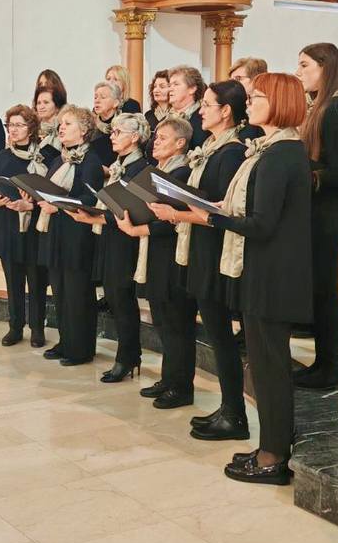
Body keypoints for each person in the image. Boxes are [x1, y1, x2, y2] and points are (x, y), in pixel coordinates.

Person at [184, 73, 311, 485]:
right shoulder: (273, 150)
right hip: (265, 270)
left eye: (258, 97)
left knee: (270, 369)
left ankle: (274, 457)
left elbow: (261, 224)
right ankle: (267, 446)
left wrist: (209, 216)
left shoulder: (281, 154)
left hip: (273, 274)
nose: (251, 102)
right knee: (263, 364)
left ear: (281, 103)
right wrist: (222, 207)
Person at [149, 81, 249, 438]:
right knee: (215, 334)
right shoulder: (210, 147)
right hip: (198, 247)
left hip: (212, 250)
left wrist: (178, 210)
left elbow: (219, 206)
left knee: (221, 336)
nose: (202, 110)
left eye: (208, 104)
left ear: (226, 111)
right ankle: (226, 408)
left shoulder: (232, 152)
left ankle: (234, 415)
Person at [65, 113, 150, 382]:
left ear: (135, 138)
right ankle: (128, 356)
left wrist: (95, 216)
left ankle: (127, 358)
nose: (111, 137)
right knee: (115, 298)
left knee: (122, 300)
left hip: (126, 240)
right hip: (110, 237)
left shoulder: (140, 169)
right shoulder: (119, 165)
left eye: (118, 132)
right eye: (112, 132)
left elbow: (133, 211)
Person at [293, 43, 338, 392]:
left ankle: (331, 366)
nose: (299, 71)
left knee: (324, 290)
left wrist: (297, 169)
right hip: (318, 206)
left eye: (305, 65)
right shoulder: (324, 105)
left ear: (325, 66)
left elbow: (336, 169)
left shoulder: (337, 109)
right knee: (317, 289)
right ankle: (323, 362)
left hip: (328, 208)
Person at [115, 117, 194, 407]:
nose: (155, 142)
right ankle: (169, 378)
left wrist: (139, 228)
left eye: (163, 138)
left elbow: (173, 218)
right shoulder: (158, 171)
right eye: (156, 137)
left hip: (172, 254)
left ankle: (182, 387)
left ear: (180, 143)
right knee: (162, 319)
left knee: (176, 321)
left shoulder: (182, 172)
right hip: (156, 253)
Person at [37, 106, 105, 366]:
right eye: (60, 124)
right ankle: (66, 341)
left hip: (78, 234)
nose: (61, 128)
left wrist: (59, 204)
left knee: (78, 294)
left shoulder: (91, 161)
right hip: (56, 232)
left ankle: (81, 348)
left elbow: (90, 198)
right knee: (61, 291)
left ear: (84, 130)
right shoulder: (59, 159)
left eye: (67, 123)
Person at [0, 105, 49, 348]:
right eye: (10, 125)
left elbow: (51, 195)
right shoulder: (2, 156)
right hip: (8, 225)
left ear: (31, 128)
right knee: (13, 281)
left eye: (18, 125)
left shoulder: (46, 157)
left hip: (35, 227)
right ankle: (15, 327)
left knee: (36, 280)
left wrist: (30, 206)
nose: (13, 130)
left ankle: (37, 328)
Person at [166, 65, 208, 148]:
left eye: (176, 84)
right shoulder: (166, 119)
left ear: (192, 89)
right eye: (170, 85)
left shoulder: (203, 118)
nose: (170, 89)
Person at [91, 80, 122, 166]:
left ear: (115, 103)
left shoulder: (124, 126)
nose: (97, 101)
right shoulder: (90, 126)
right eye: (95, 97)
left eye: (103, 97)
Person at [34, 84, 66, 163]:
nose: (41, 107)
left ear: (57, 106)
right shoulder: (33, 130)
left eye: (46, 102)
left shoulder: (64, 128)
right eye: (39, 103)